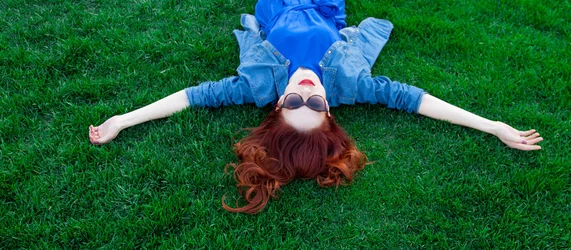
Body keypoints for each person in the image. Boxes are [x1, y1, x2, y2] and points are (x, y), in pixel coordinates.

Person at [89, 0, 543, 214]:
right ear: (331, 112)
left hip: (275, 9)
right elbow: (418, 101)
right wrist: (492, 126)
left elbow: (190, 96)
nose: (306, 88)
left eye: (294, 101)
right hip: (326, 10)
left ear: (275, 107)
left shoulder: (258, 82)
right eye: (315, 103)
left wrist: (124, 120)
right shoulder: (350, 82)